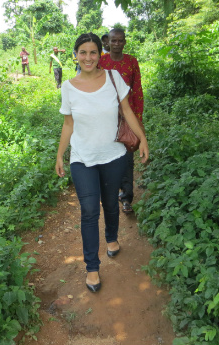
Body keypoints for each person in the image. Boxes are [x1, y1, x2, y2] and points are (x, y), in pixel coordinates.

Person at [55, 33, 149, 293]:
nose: (88, 57)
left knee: (110, 203)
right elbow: (68, 124)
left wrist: (142, 138)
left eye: (93, 52)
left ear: (100, 54)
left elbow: (127, 111)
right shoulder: (68, 87)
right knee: (88, 210)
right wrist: (60, 155)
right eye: (82, 52)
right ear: (76, 54)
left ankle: (111, 237)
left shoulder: (113, 78)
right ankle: (92, 267)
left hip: (113, 155)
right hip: (82, 159)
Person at [98, 29, 144, 214]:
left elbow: (137, 90)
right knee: (107, 156)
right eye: (113, 40)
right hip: (105, 117)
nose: (116, 44)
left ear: (125, 42)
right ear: (107, 42)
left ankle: (126, 198)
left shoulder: (132, 62)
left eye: (120, 40)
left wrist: (138, 119)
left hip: (127, 116)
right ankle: (110, 192)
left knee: (127, 158)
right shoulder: (101, 62)